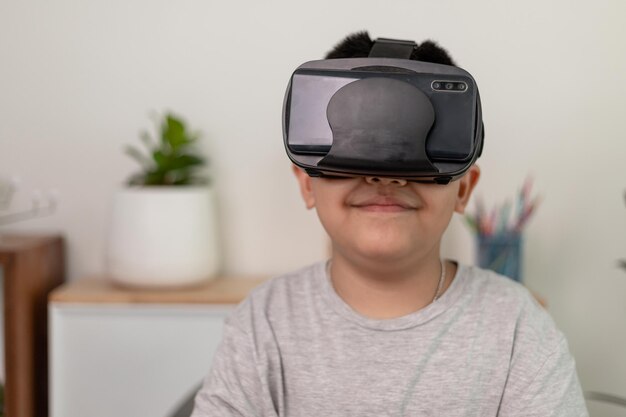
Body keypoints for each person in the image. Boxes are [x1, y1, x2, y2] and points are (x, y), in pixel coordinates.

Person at [191, 31, 588, 416]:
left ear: (464, 189)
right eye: (356, 155)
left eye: (415, 160)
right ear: (306, 185)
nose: (385, 178)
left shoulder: (518, 329)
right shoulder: (264, 324)